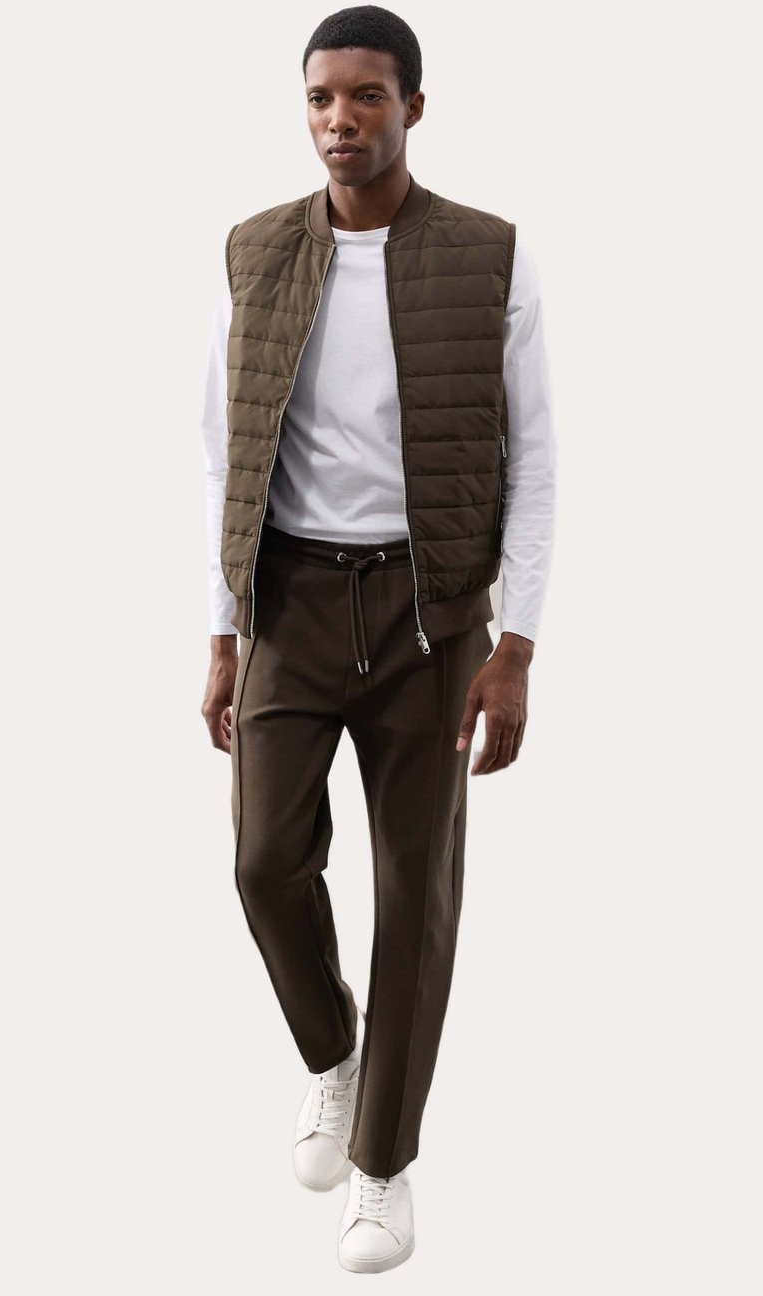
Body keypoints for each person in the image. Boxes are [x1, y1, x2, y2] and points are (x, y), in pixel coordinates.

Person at [200, 5, 556, 1274]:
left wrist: (516, 646)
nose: (339, 120)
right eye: (320, 98)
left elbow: (537, 460)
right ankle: (335, 1054)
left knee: (416, 895)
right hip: (291, 601)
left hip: (430, 616)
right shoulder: (255, 251)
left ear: (413, 105)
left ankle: (384, 1166)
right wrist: (223, 631)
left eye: (365, 96)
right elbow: (222, 452)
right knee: (262, 862)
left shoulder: (488, 256)